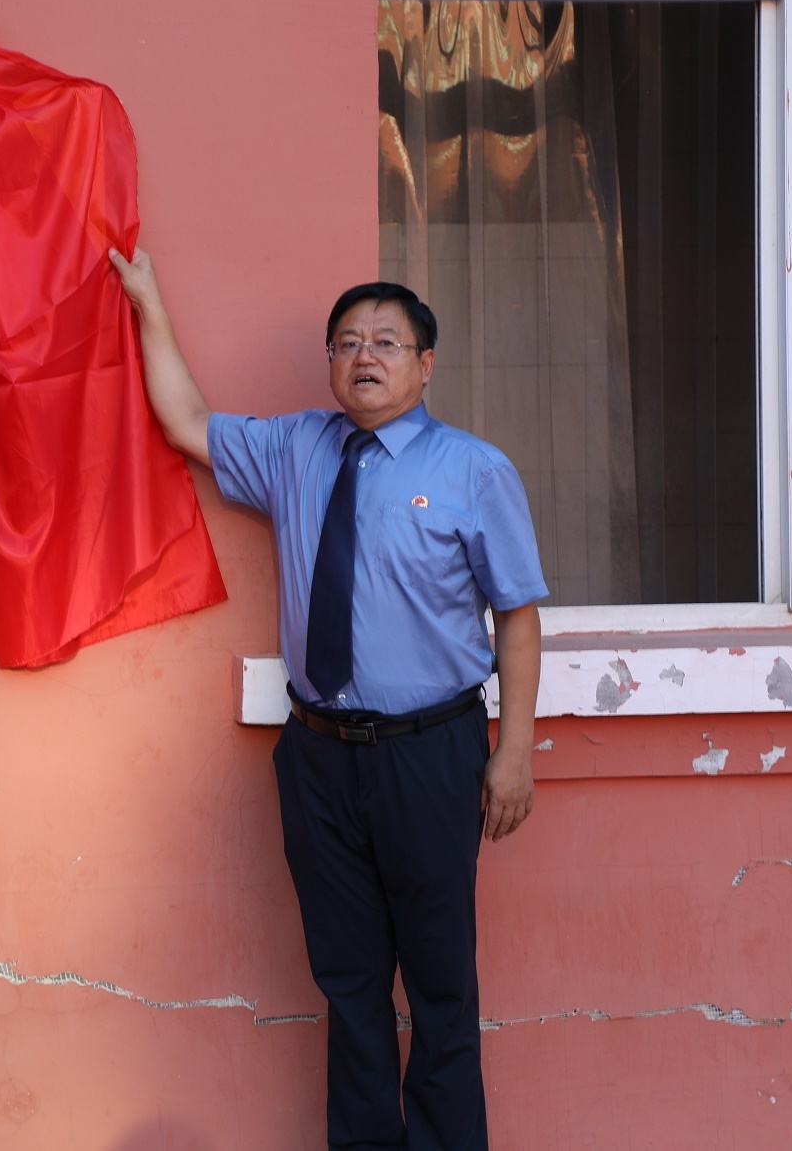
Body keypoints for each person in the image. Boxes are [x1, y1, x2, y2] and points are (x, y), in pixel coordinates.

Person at [111, 248, 545, 1151]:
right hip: (318, 759)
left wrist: (513, 753)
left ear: (426, 363)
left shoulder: (474, 470)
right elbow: (186, 419)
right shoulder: (295, 449)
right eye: (347, 341)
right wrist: (148, 299)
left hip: (431, 755)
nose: (364, 355)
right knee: (348, 987)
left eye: (387, 340)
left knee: (440, 988)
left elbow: (517, 614)